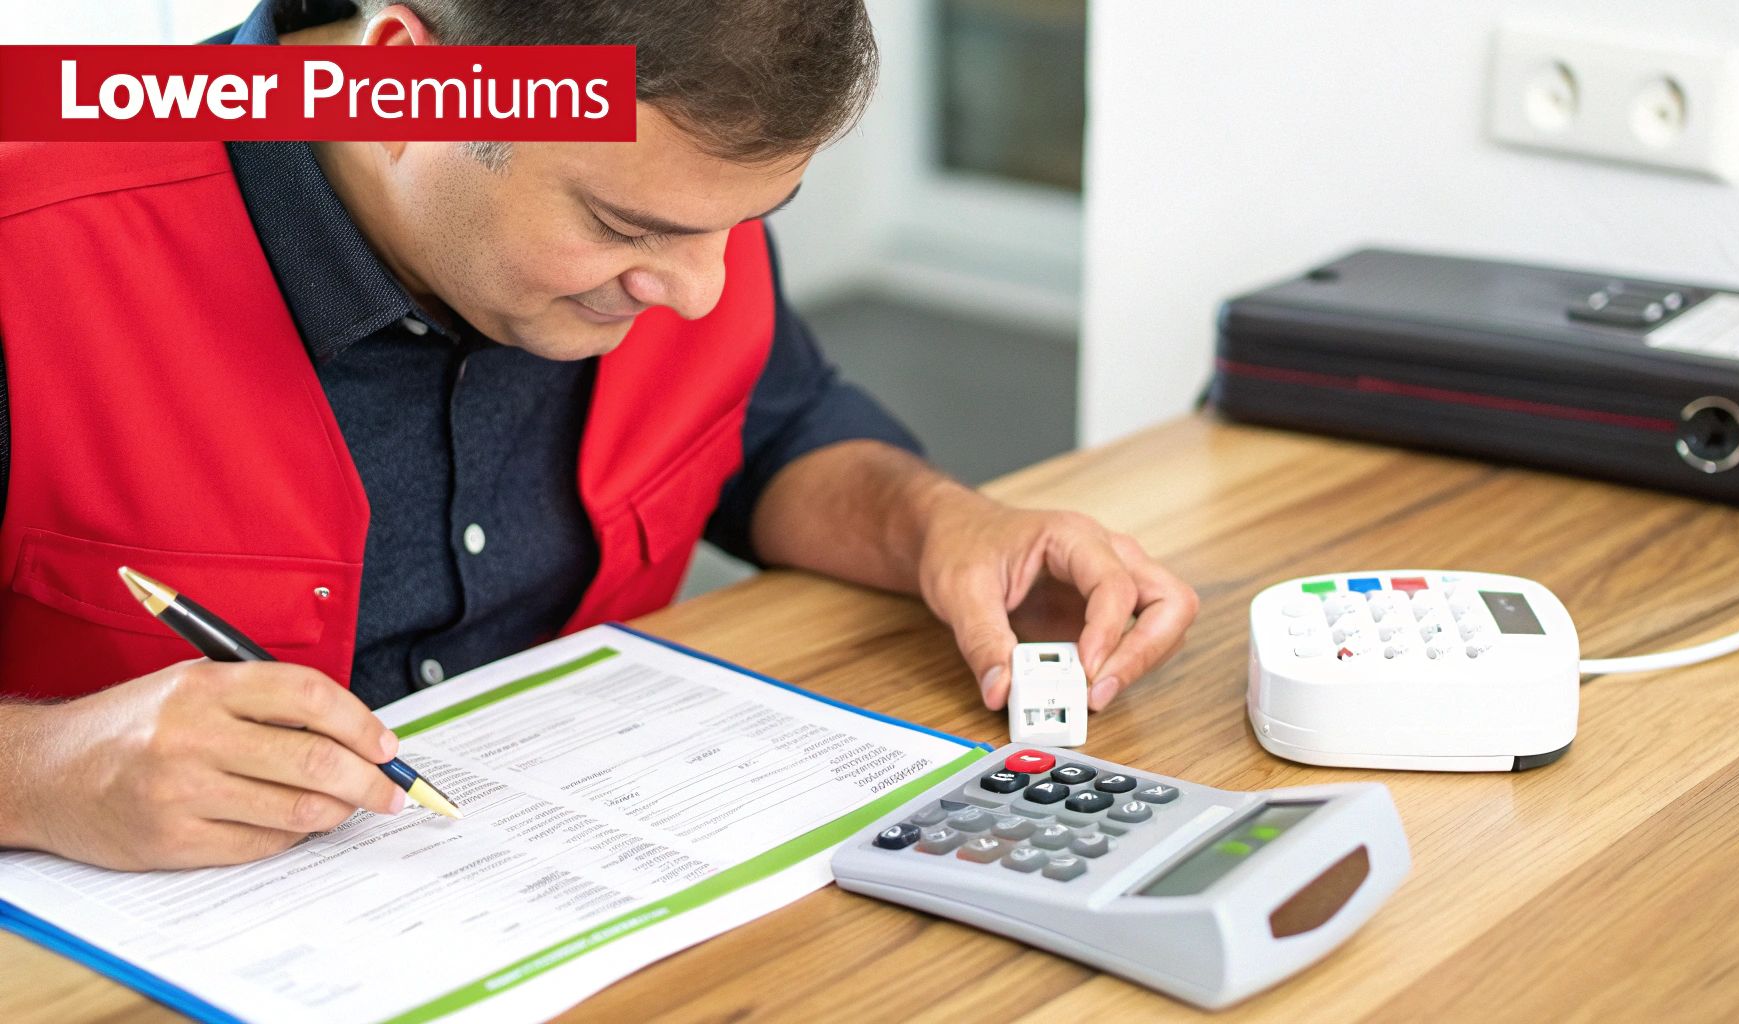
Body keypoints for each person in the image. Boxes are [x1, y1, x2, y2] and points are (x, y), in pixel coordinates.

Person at [0, 0, 1197, 870]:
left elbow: (774, 435)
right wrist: (44, 773)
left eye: (752, 218)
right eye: (624, 223)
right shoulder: (29, 238)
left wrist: (947, 523)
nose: (697, 293)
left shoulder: (683, 212)